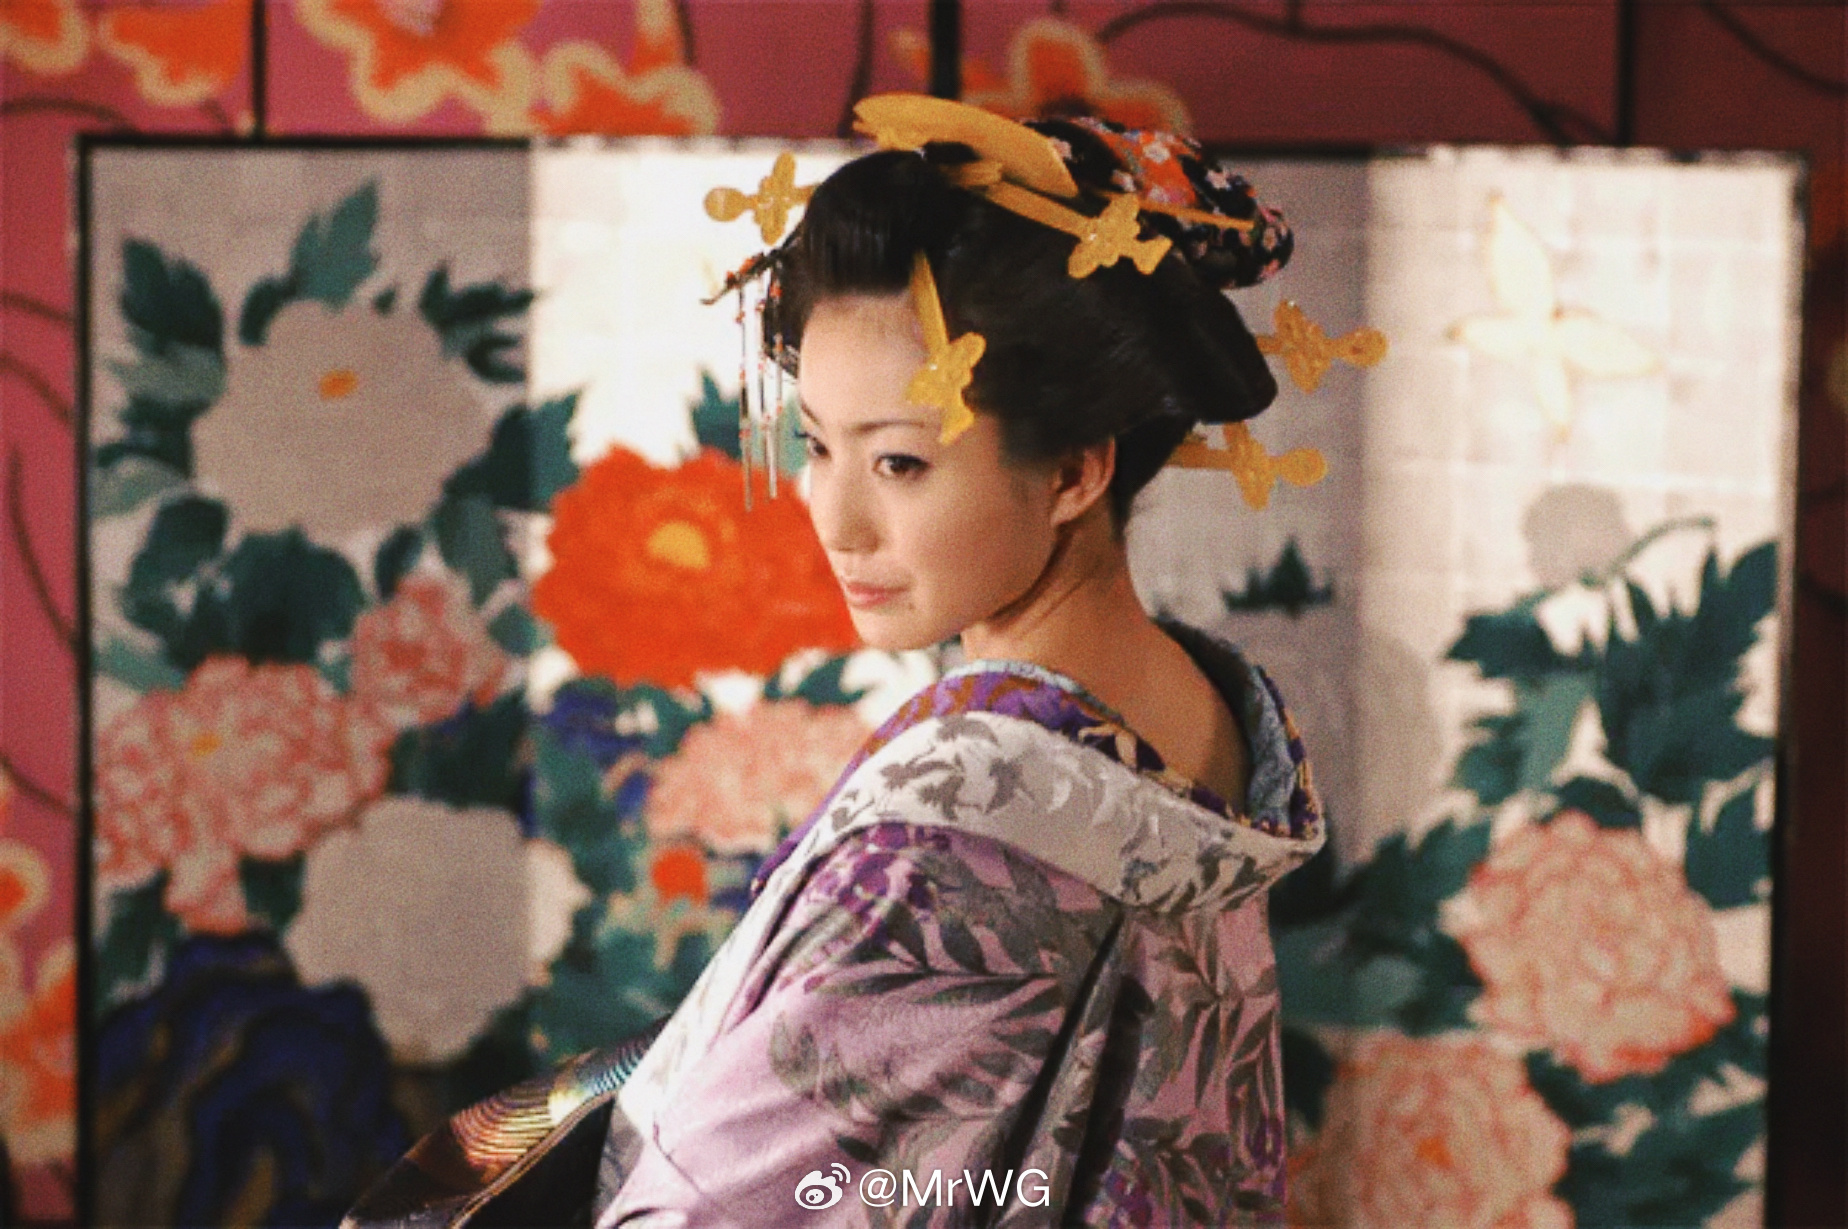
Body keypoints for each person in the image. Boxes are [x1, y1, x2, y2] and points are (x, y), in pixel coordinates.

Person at [346, 95, 1324, 1228]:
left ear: (1072, 472)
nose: (837, 521)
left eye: (900, 463)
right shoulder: (1208, 719)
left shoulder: (955, 839)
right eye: (816, 445)